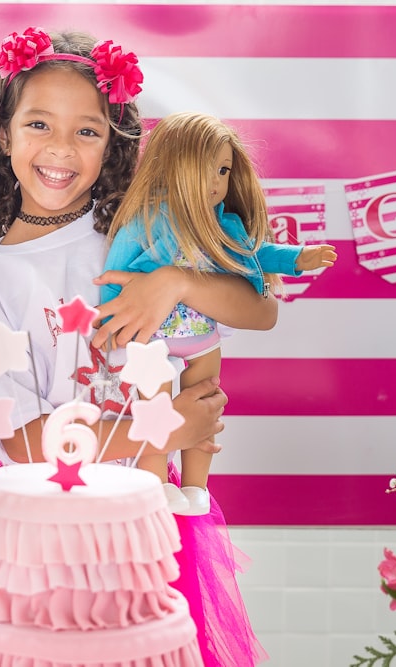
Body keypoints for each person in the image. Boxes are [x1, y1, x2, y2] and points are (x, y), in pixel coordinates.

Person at [0, 27, 274, 667]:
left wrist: (178, 281)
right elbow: (17, 439)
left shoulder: (139, 239)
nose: (61, 149)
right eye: (39, 124)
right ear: (4, 135)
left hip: (149, 520)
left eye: (88, 131)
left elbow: (258, 311)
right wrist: (168, 427)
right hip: (41, 531)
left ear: (114, 148)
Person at [100, 111, 337, 516]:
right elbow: (114, 274)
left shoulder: (225, 224)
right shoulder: (145, 220)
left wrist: (298, 258)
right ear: (169, 168)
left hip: (202, 336)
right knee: (155, 413)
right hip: (151, 338)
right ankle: (156, 482)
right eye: (202, 170)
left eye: (223, 170)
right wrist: (111, 327)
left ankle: (196, 486)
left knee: (206, 404)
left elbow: (258, 253)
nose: (215, 182)